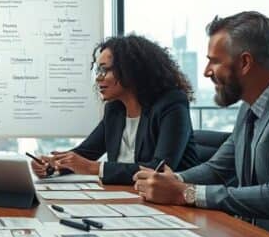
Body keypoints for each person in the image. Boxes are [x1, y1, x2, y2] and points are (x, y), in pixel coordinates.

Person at [133, 11, 269, 237]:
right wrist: (173, 182)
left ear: (245, 62)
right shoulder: (251, 107)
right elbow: (217, 169)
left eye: (215, 61)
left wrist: (187, 193)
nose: (206, 71)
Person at [30, 35, 199, 185]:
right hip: (125, 197)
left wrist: (94, 168)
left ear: (130, 70)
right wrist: (53, 164)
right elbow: (85, 154)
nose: (98, 78)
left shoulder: (171, 104)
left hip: (172, 205)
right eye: (98, 70)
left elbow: (160, 169)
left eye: (105, 69)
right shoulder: (115, 110)